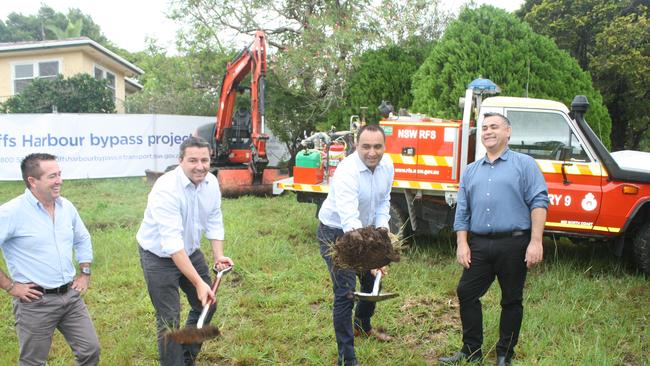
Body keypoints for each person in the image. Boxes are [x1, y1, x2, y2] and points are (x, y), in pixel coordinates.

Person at [439, 113, 549, 366]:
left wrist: (536, 241)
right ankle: (471, 350)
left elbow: (539, 202)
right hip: (479, 244)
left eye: (494, 127)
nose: (488, 131)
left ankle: (504, 355)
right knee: (466, 292)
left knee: (511, 299)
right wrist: (462, 243)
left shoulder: (525, 164)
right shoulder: (470, 171)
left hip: (514, 244)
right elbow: (463, 211)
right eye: (485, 128)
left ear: (508, 132)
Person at [137, 136, 234, 366]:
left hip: (190, 251)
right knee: (169, 320)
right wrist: (200, 283)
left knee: (207, 304)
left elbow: (214, 219)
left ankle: (184, 356)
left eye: (205, 160)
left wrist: (218, 255)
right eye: (193, 160)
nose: (200, 166)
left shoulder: (210, 183)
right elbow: (172, 245)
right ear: (181, 160)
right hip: (158, 257)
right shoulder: (166, 188)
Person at [0, 153, 101, 365]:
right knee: (33, 362)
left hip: (70, 296)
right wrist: (10, 286)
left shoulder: (66, 207)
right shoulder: (11, 212)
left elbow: (82, 238)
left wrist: (84, 273)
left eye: (60, 174)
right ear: (32, 181)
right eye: (52, 176)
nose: (60, 181)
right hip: (35, 302)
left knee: (90, 351)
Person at [317, 124, 395, 366]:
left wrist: (382, 242)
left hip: (366, 228)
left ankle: (362, 325)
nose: (372, 152)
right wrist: (370, 260)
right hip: (336, 232)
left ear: (384, 146)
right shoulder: (346, 171)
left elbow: (384, 203)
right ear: (356, 146)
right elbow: (350, 222)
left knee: (373, 282)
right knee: (346, 292)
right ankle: (347, 356)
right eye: (366, 146)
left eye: (377, 146)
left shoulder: (388, 165)